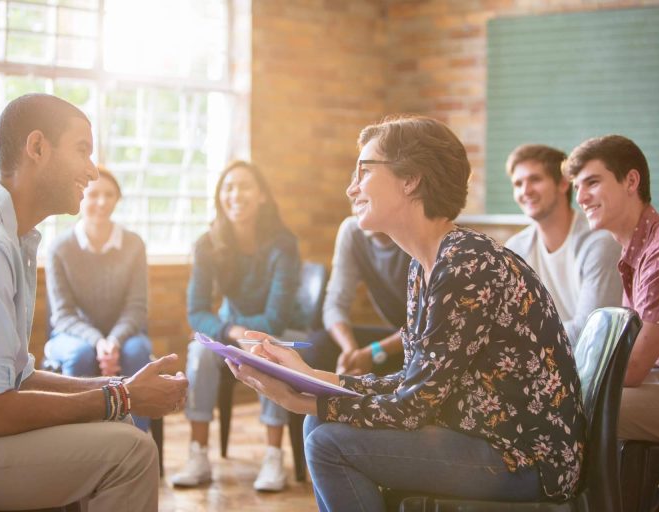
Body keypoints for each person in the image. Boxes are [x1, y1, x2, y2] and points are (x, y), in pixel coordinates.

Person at [228, 116, 587, 511]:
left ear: (410, 179)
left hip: (525, 458)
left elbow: (414, 406)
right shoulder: (426, 265)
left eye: (364, 171)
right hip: (481, 436)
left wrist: (302, 400)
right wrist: (309, 378)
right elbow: (412, 383)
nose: (352, 187)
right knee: (322, 425)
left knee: (327, 441)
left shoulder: (467, 264)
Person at [0, 94, 188, 511]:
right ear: (37, 148)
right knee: (131, 452)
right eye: (82, 151)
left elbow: (17, 377)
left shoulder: (11, 234)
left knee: (117, 422)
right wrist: (122, 397)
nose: (93, 171)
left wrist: (119, 389)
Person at [171, 160, 302, 492]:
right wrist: (230, 332)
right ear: (220, 197)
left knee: (268, 351)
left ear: (261, 196)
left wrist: (241, 334)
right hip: (229, 330)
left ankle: (274, 456)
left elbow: (275, 319)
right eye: (228, 188)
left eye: (244, 186)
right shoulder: (207, 244)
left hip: (274, 332)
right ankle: (198, 453)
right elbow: (196, 311)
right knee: (198, 354)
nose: (236, 195)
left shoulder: (284, 245)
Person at [565, 134, 659, 445]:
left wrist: (554, 374)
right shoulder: (638, 249)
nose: (581, 197)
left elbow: (634, 368)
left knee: (574, 408)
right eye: (577, 188)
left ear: (631, 181)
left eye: (592, 183)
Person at [44, 165, 153, 431]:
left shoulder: (134, 244)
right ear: (81, 196)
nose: (101, 202)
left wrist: (113, 340)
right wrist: (98, 341)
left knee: (137, 351)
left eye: (109, 195)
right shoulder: (59, 248)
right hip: (72, 336)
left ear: (118, 199)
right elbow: (63, 315)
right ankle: (78, 441)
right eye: (94, 195)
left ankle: (137, 441)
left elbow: (136, 308)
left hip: (123, 335)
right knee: (80, 355)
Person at [505, 143, 622, 345]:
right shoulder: (515, 248)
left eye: (535, 179)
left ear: (563, 183)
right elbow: (509, 322)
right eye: (517, 184)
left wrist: (521, 338)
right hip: (540, 364)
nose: (526, 191)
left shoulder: (600, 242)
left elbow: (591, 333)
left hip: (592, 370)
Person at [305, 216, 409, 375]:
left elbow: (429, 325)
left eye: (366, 199)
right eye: (356, 201)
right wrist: (350, 350)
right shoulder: (353, 231)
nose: (354, 194)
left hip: (430, 340)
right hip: (398, 335)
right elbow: (334, 305)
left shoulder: (416, 233)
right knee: (318, 345)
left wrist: (373, 352)